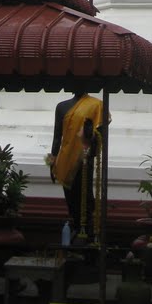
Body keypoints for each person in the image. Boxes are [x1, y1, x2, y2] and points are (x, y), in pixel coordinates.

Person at [48, 94, 105, 239]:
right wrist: (52, 162)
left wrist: (91, 136)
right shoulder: (61, 107)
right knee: (71, 199)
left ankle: (86, 230)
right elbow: (57, 137)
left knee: (85, 197)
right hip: (65, 160)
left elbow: (101, 136)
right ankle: (76, 227)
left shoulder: (96, 105)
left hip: (84, 159)